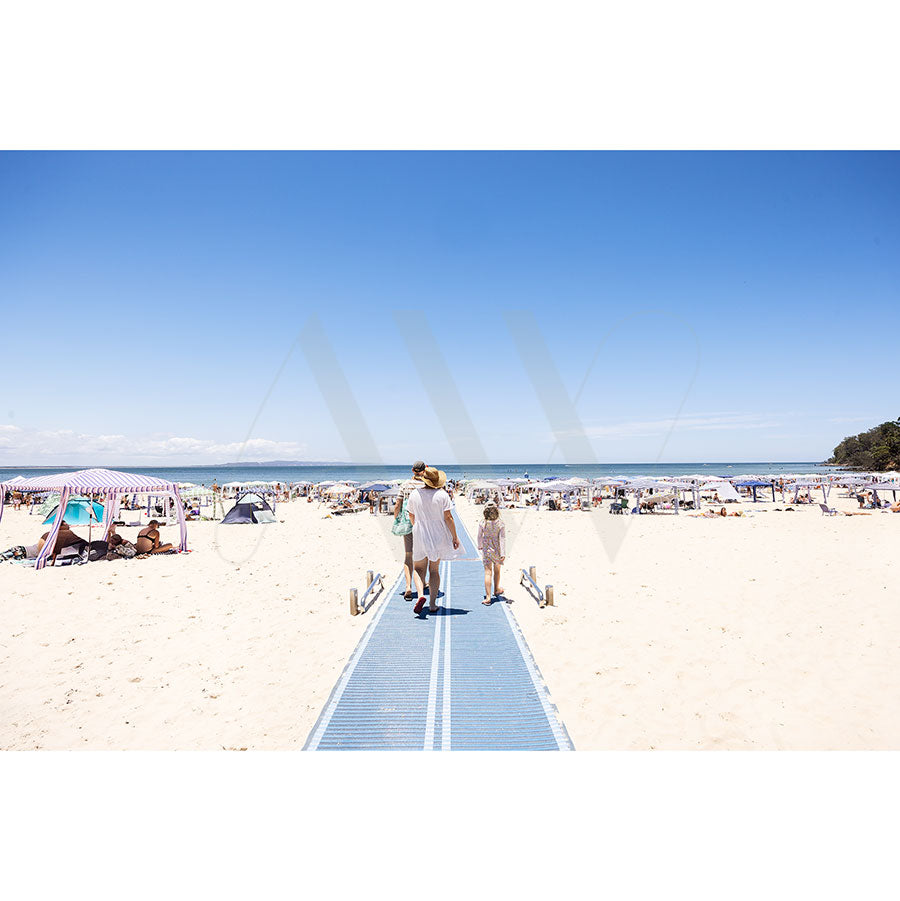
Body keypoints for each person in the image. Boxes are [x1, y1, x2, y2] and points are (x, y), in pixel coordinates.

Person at [407, 466, 460, 616]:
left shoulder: (414, 494)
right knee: (434, 570)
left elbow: (411, 515)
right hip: (438, 534)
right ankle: (432, 604)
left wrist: (417, 527)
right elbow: (448, 518)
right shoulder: (442, 495)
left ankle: (420, 594)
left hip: (420, 532)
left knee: (418, 568)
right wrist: (454, 537)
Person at [477, 502, 506, 605]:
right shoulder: (500, 523)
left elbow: (479, 535)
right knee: (497, 571)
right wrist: (503, 553)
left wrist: (479, 545)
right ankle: (497, 589)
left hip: (486, 549)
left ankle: (488, 597)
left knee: (488, 572)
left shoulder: (483, 523)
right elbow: (502, 539)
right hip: (497, 549)